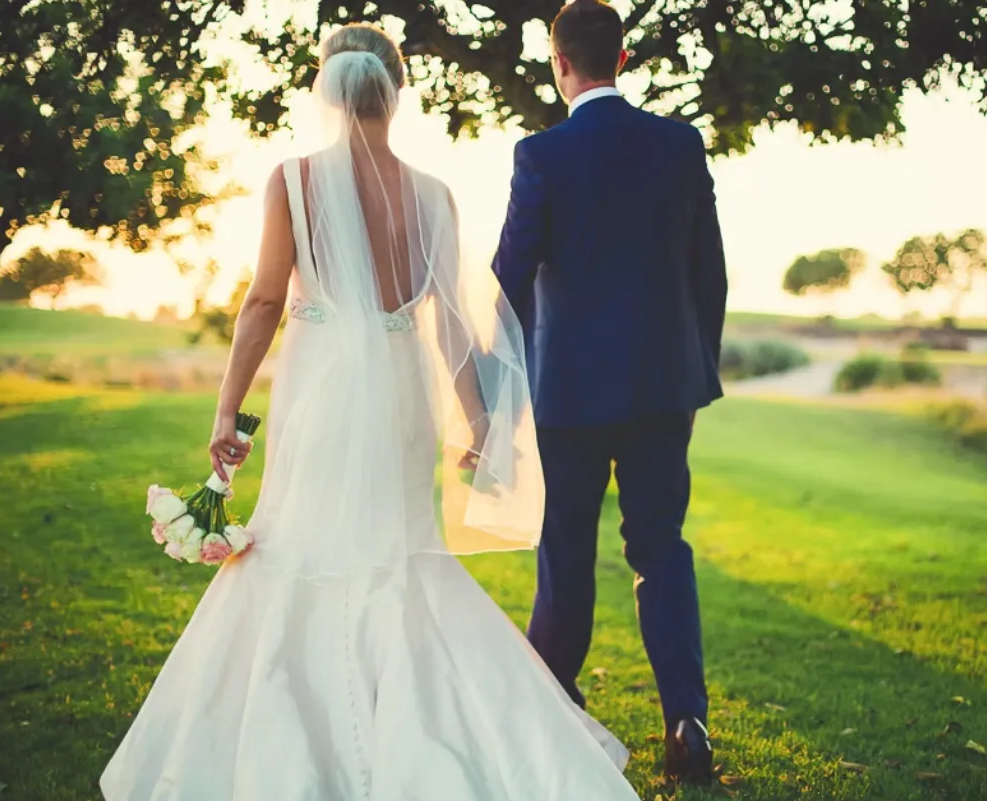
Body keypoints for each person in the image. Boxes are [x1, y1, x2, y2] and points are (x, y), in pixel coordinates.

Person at [100, 23, 641, 801]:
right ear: (396, 90)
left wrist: (228, 409)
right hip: (398, 396)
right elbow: (450, 316)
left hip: (320, 390)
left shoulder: (292, 180)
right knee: (396, 552)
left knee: (301, 546)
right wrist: (478, 420)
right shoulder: (432, 194)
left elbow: (261, 302)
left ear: (326, 88)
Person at [491, 0, 728, 785]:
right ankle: (686, 722)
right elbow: (710, 273)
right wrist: (697, 368)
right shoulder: (680, 144)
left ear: (560, 64)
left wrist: (512, 374)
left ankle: (552, 705)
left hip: (567, 397)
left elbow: (508, 279)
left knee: (566, 552)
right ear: (621, 59)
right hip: (665, 389)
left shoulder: (542, 155)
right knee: (661, 547)